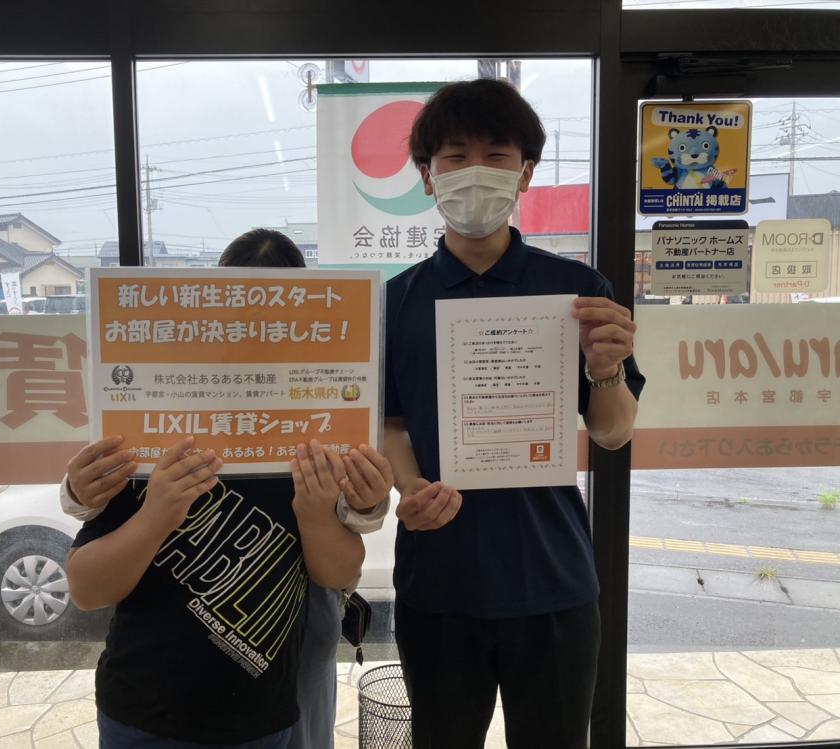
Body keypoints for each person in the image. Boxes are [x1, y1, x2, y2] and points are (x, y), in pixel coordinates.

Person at [382, 79, 646, 749]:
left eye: (497, 155)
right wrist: (409, 486)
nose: (476, 171)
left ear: (525, 173)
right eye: (455, 156)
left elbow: (614, 430)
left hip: (552, 581)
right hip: (439, 582)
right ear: (427, 175)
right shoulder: (395, 302)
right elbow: (389, 423)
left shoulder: (578, 291)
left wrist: (606, 368)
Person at [63, 229, 393, 749]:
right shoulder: (151, 433)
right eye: (239, 319)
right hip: (144, 711)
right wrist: (155, 515)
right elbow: (85, 589)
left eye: (276, 324)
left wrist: (322, 512)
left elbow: (339, 572)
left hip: (263, 716)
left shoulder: (314, 441)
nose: (254, 341)